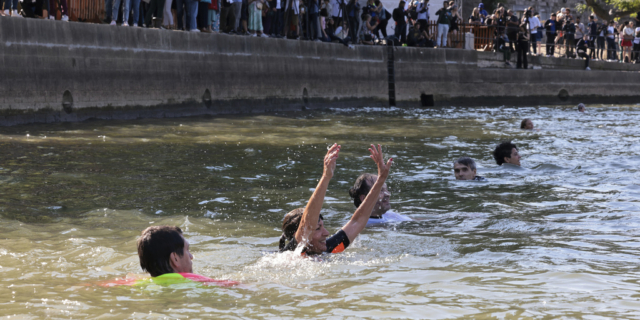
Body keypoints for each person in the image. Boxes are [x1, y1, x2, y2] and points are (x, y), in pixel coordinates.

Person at [279, 144, 393, 255]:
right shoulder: (292, 253)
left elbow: (358, 221)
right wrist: (326, 176)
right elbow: (307, 223)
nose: (326, 233)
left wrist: (381, 180)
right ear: (298, 234)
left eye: (322, 227)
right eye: (318, 228)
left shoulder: (328, 248)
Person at [118, 225, 240, 287]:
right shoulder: (193, 280)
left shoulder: (139, 282)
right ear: (175, 258)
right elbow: (237, 285)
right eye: (187, 250)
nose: (191, 256)